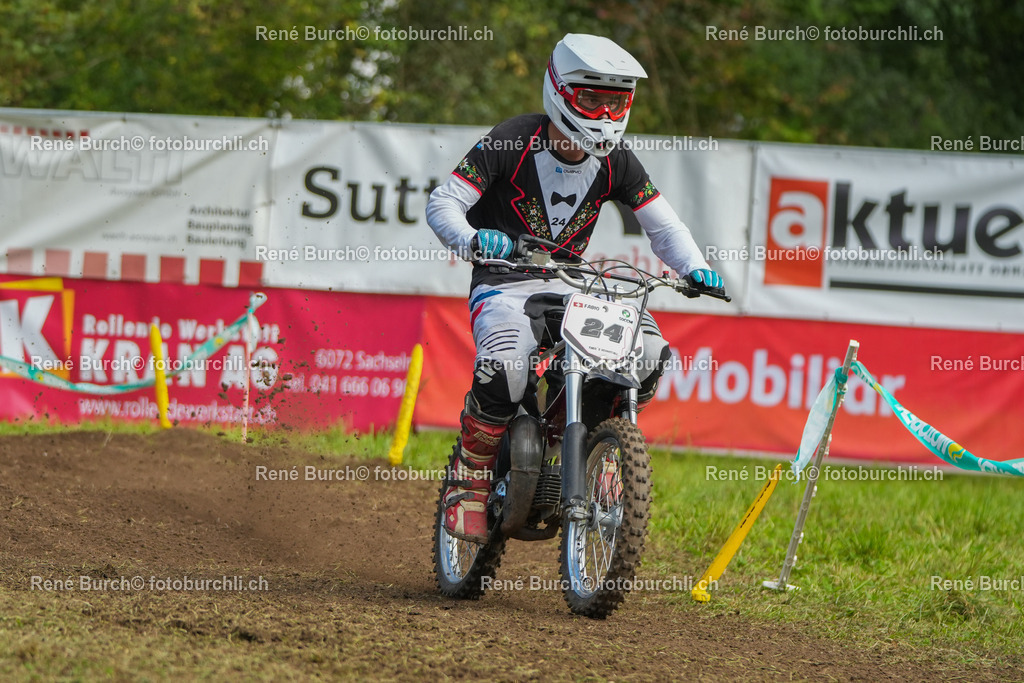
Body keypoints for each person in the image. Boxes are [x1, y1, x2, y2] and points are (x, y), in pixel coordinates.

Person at [425, 33, 725, 543]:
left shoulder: (618, 161)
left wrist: (696, 267)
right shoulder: (512, 139)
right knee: (508, 367)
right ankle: (470, 481)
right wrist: (475, 239)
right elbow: (442, 203)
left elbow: (664, 227)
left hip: (571, 283)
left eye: (617, 101)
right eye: (592, 99)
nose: (605, 115)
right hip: (504, 283)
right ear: (559, 91)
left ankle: (582, 444)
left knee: (647, 354)